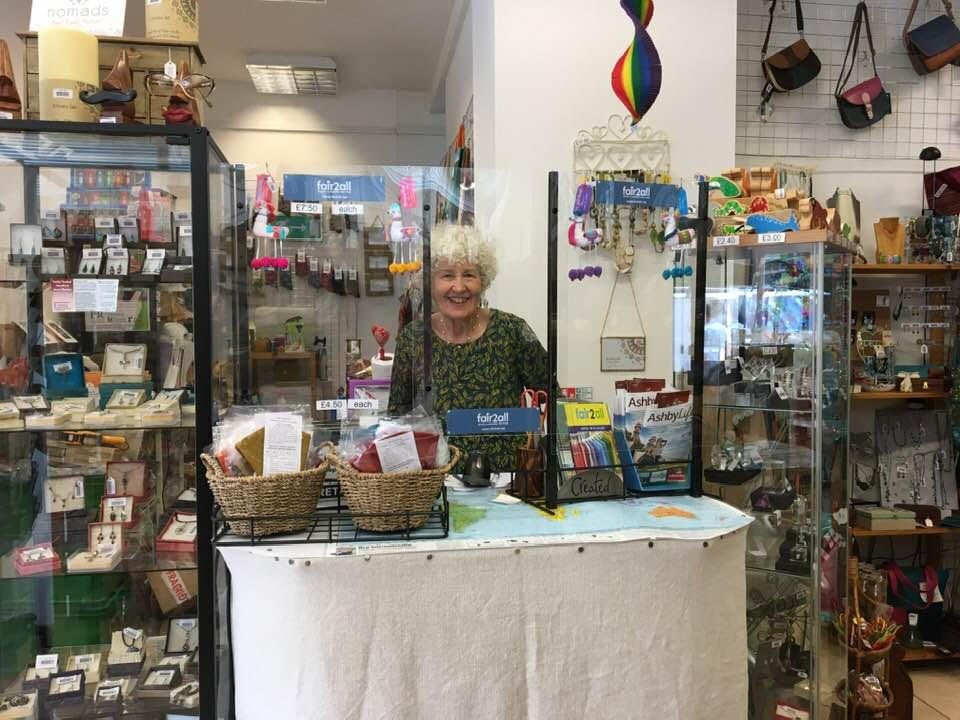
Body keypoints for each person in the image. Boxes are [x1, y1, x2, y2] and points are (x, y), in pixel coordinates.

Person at [388, 223, 549, 472]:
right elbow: (397, 420)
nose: (459, 287)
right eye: (447, 275)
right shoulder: (413, 339)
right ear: (431, 282)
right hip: (435, 483)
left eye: (469, 275)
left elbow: (552, 397)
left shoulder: (513, 331)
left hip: (511, 485)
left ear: (483, 281)